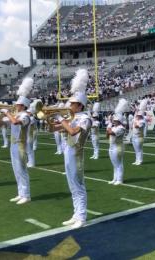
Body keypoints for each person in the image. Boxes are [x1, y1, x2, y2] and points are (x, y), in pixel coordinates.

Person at [51, 69, 91, 229]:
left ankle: (82, 216)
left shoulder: (85, 118)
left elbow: (73, 131)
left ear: (80, 105)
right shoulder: (71, 118)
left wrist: (61, 119)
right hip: (68, 152)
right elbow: (53, 130)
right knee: (72, 186)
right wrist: (51, 119)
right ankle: (76, 214)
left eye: (72, 104)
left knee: (79, 186)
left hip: (77, 154)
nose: (69, 105)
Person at [5, 78, 33, 205]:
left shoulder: (25, 116)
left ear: (22, 106)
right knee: (15, 170)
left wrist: (7, 113)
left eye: (17, 104)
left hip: (21, 145)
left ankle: (26, 195)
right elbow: (6, 122)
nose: (15, 105)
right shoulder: (16, 114)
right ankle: (20, 193)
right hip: (13, 144)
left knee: (22, 170)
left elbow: (16, 122)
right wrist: (4, 115)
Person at [107, 99, 128, 185]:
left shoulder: (121, 128)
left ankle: (120, 179)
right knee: (114, 164)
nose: (114, 121)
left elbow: (111, 133)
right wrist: (109, 127)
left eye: (115, 120)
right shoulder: (114, 127)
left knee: (118, 163)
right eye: (114, 120)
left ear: (119, 121)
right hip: (111, 146)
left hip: (118, 147)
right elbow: (107, 135)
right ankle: (115, 178)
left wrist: (109, 127)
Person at [132, 99, 147, 165]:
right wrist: (136, 108)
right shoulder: (137, 119)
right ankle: (136, 160)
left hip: (139, 137)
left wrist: (135, 121)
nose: (137, 116)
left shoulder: (142, 121)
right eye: (137, 115)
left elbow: (136, 126)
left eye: (139, 115)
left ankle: (140, 160)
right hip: (134, 136)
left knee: (139, 149)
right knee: (136, 150)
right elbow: (135, 112)